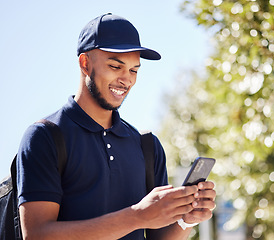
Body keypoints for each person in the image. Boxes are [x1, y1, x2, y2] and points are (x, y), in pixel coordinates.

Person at [16, 13, 216, 240]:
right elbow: (36, 235)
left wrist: (185, 219)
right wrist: (137, 216)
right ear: (85, 63)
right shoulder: (45, 136)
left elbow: (158, 237)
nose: (126, 80)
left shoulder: (147, 146)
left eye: (134, 70)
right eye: (115, 66)